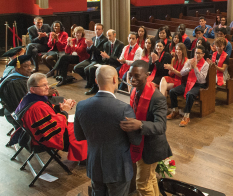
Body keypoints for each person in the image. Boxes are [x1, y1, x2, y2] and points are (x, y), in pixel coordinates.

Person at [74, 65, 140, 196]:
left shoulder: (81, 105)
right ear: (115, 80)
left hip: (95, 164)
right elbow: (136, 140)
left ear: (96, 81)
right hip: (118, 168)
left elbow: (79, 136)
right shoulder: (124, 108)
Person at [120, 61, 172, 196]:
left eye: (136, 76)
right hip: (139, 142)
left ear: (147, 75)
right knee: (150, 179)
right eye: (130, 75)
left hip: (151, 147)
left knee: (142, 185)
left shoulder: (157, 97)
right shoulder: (134, 90)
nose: (132, 79)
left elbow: (161, 126)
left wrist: (140, 125)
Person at [14, 73, 87, 162]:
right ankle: (84, 158)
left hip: (35, 134)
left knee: (80, 126)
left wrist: (59, 108)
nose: (48, 87)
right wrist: (65, 111)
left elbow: (47, 114)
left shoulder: (28, 98)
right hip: (49, 138)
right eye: (43, 85)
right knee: (83, 131)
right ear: (32, 89)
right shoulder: (37, 107)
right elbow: (55, 128)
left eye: (47, 84)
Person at [168, 45, 209, 126]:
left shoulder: (205, 65)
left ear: (203, 54)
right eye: (196, 53)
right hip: (188, 82)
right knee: (172, 91)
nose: (197, 55)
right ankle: (175, 110)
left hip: (199, 85)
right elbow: (182, 73)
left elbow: (201, 80)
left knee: (190, 94)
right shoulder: (190, 61)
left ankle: (186, 116)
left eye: (199, 53)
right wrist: (189, 69)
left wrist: (195, 68)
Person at [0, 55, 32, 127]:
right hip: (17, 114)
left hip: (18, 111)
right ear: (17, 68)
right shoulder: (15, 82)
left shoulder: (21, 78)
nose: (30, 68)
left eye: (30, 65)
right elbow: (22, 103)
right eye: (26, 66)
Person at [86, 29, 124, 95]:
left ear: (114, 35)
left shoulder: (120, 44)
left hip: (115, 64)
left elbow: (118, 59)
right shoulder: (106, 44)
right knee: (92, 68)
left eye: (110, 36)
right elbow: (104, 59)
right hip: (106, 62)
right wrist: (103, 57)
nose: (108, 38)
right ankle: (95, 87)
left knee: (105, 70)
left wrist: (108, 57)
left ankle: (104, 88)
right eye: (107, 36)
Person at [74, 23, 108, 88]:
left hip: (98, 60)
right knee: (77, 68)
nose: (97, 31)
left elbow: (100, 52)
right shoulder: (93, 38)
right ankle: (88, 80)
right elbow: (88, 52)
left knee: (87, 69)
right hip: (90, 59)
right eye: (96, 29)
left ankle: (91, 84)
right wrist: (88, 47)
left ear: (102, 30)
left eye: (99, 29)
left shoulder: (104, 40)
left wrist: (92, 46)